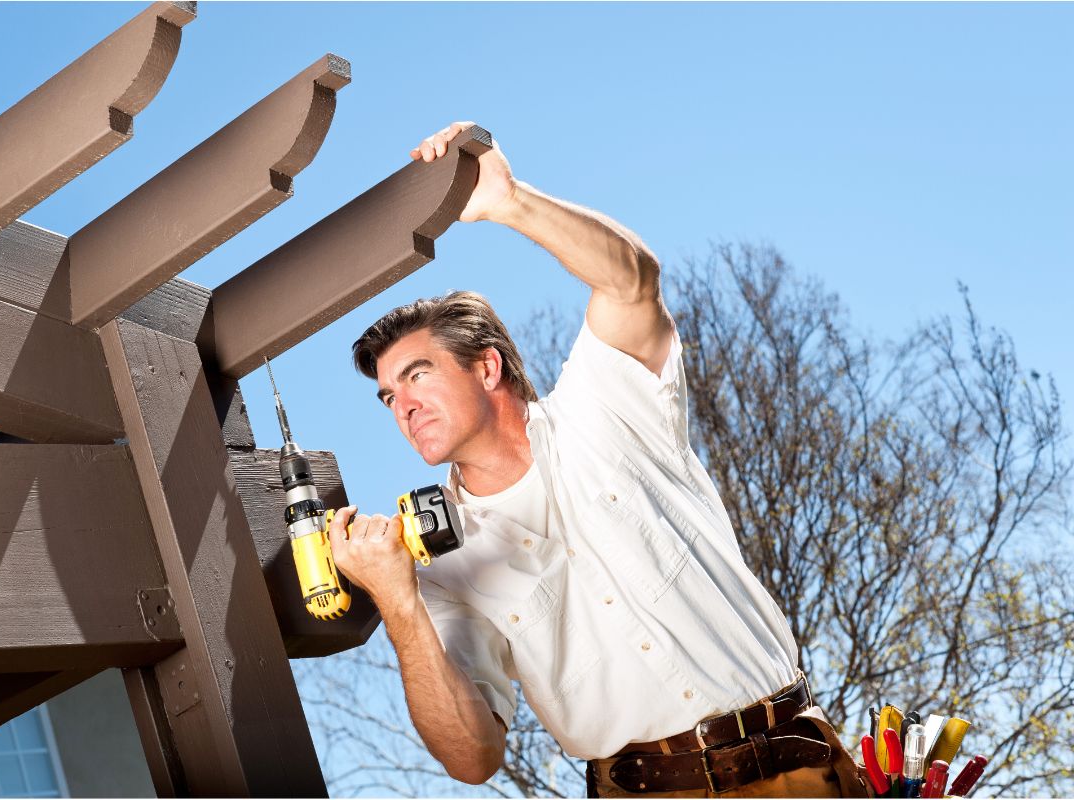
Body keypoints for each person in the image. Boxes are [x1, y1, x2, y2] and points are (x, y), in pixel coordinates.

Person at [327, 121, 867, 798]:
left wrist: (508, 201)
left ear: (487, 366)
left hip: (800, 773)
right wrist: (399, 604)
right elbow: (472, 757)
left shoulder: (605, 405)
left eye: (417, 375)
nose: (401, 405)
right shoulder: (442, 567)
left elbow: (633, 283)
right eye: (387, 395)